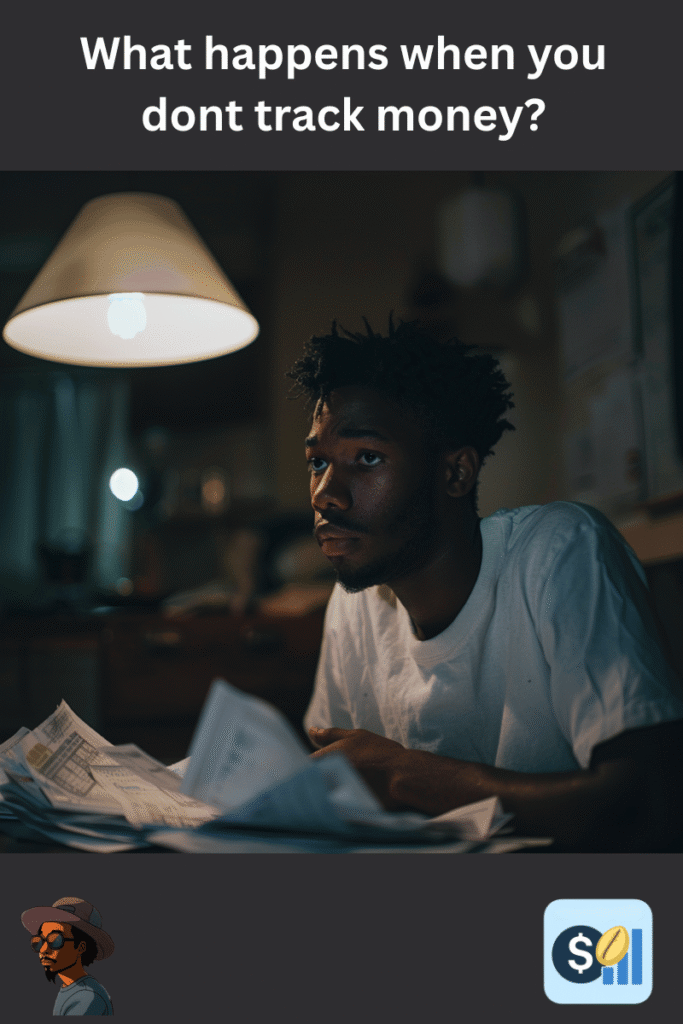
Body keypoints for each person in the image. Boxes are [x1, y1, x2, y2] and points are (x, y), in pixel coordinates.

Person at [287, 318, 683, 852]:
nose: (325, 494)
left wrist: (403, 775)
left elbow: (651, 805)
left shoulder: (559, 551)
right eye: (317, 462)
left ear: (456, 473)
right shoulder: (352, 606)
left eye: (367, 458)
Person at [22, 897, 114, 1014]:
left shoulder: (87, 997)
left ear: (81, 947)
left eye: (55, 940)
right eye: (39, 941)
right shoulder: (72, 988)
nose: (43, 949)